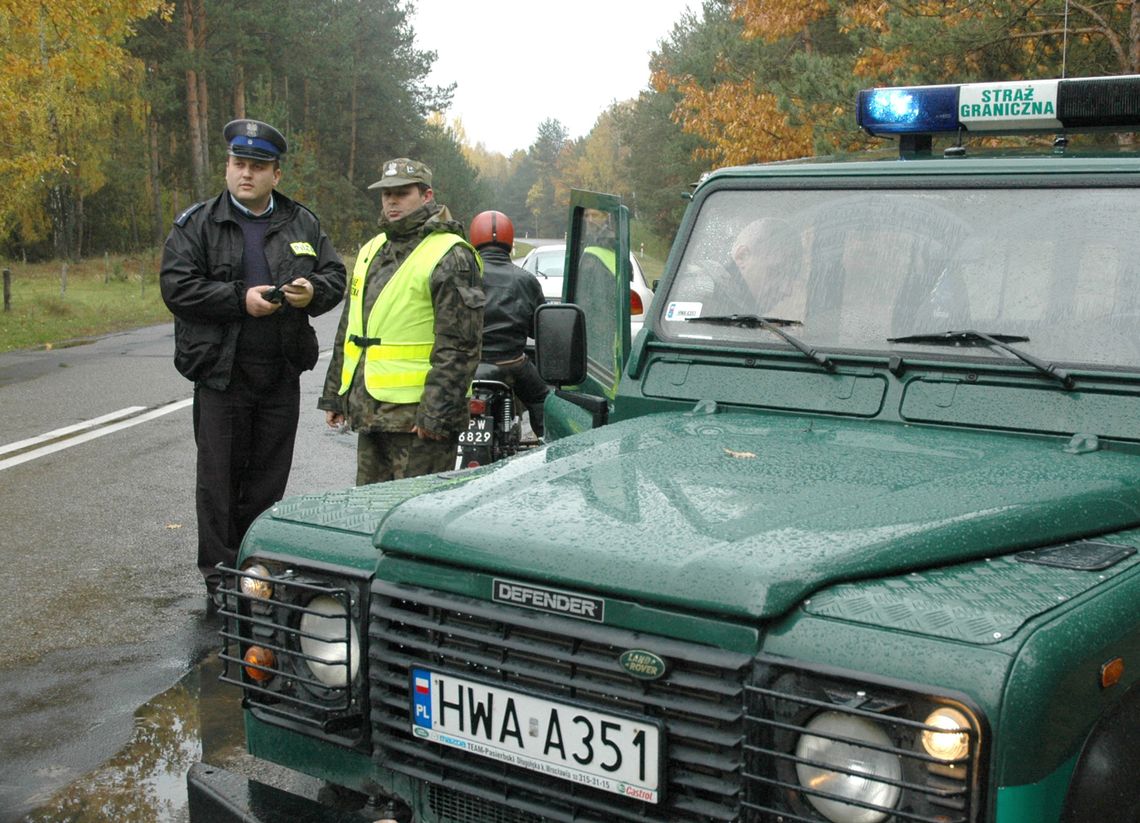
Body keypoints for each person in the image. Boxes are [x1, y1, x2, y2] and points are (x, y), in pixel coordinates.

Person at [160, 118, 347, 606]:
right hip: (222, 374)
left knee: (267, 479)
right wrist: (238, 299)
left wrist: (311, 294)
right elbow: (177, 288)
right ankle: (222, 583)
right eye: (238, 164)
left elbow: (333, 276)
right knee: (219, 484)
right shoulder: (197, 224)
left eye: (257, 167)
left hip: (280, 371)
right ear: (228, 167)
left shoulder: (301, 222)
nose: (246, 174)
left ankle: (258, 573)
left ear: (275, 174)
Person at [319, 157, 485, 484]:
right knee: (370, 515)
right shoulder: (373, 249)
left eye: (402, 192)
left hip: (418, 423)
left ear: (427, 195)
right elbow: (351, 328)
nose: (391, 201)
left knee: (414, 522)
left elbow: (460, 346)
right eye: (386, 194)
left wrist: (436, 415)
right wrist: (337, 395)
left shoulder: (450, 254)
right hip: (372, 413)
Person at [468, 210, 549, 437]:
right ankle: (548, 448)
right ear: (510, 242)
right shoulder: (526, 280)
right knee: (542, 399)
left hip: (466, 365)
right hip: (511, 363)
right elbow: (538, 330)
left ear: (473, 239)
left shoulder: (462, 274)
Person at [728, 217, 807, 319]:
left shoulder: (737, 311)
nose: (787, 290)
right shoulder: (706, 293)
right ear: (742, 256)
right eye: (777, 272)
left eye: (792, 277)